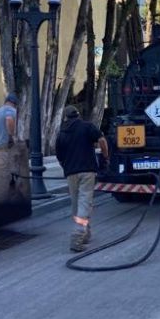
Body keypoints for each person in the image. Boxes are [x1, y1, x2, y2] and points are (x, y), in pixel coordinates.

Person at [55, 105, 109, 253]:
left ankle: (86, 233)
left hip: (71, 172)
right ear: (78, 115)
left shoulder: (61, 133)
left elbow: (59, 155)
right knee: (85, 203)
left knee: (76, 204)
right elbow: (102, 141)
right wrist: (105, 157)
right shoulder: (87, 127)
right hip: (87, 171)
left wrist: (66, 165)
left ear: (66, 117)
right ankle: (78, 235)